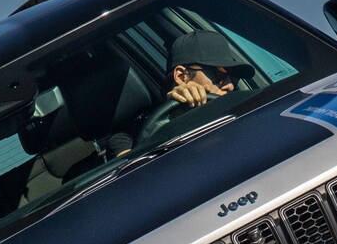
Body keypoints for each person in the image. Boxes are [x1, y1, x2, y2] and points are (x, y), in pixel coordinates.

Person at [105, 30, 255, 158]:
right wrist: (177, 115)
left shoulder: (246, 107)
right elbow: (137, 178)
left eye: (234, 77)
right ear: (182, 76)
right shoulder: (129, 135)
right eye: (219, 74)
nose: (229, 85)